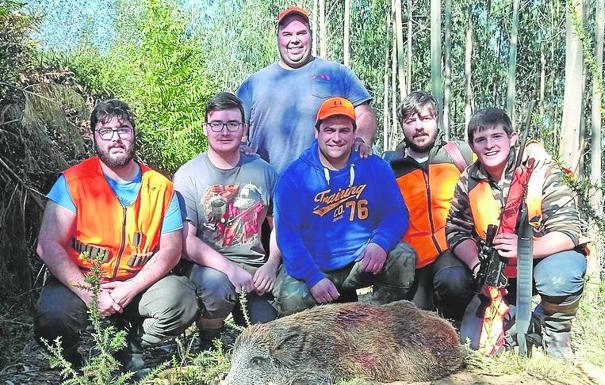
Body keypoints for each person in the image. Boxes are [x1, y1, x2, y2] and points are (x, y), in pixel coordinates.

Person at [34, 100, 198, 374]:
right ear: (94, 137)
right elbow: (48, 245)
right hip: (83, 279)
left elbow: (171, 250)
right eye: (106, 131)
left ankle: (127, 343)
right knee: (52, 317)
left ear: (134, 133)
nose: (116, 138)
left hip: (136, 283)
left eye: (123, 129)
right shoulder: (73, 182)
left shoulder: (160, 187)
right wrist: (90, 293)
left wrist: (130, 288)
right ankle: (73, 364)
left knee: (182, 300)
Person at [445, 107, 587, 359]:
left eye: (496, 137)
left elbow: (569, 231)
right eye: (481, 139)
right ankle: (526, 323)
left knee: (561, 275)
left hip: (542, 261)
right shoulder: (468, 179)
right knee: (473, 344)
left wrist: (525, 248)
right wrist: (477, 264)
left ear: (512, 138)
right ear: (472, 146)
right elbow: (456, 229)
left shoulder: (542, 170)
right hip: (499, 274)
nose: (489, 145)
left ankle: (555, 333)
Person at [272, 97, 415, 316]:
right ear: (317, 132)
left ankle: (374, 322)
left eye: (344, 130)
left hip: (360, 262)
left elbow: (396, 213)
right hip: (317, 266)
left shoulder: (375, 166)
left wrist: (380, 243)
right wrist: (312, 277)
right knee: (291, 298)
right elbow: (288, 236)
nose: (336, 138)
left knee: (403, 256)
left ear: (354, 133)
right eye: (329, 130)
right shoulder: (294, 176)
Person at [174, 92, 280, 349]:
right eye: (217, 124)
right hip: (210, 267)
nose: (225, 131)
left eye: (233, 124)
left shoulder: (264, 171)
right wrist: (230, 270)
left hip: (255, 266)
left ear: (244, 129)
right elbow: (186, 242)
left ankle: (251, 324)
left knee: (266, 337)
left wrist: (271, 264)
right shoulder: (189, 175)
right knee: (216, 287)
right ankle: (210, 340)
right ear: (205, 128)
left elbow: (278, 226)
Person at [236, 5, 376, 174]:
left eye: (301, 33)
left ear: (310, 36)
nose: (294, 40)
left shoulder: (337, 73)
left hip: (329, 189)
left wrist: (361, 140)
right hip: (268, 188)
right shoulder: (254, 83)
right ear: (278, 38)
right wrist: (240, 146)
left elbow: (364, 113)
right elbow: (235, 126)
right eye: (287, 34)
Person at [383, 91, 475, 324]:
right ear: (402, 126)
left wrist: (532, 147)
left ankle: (457, 326)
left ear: (437, 120)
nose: (419, 127)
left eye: (425, 118)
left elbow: (499, 156)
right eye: (411, 121)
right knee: (414, 323)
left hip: (452, 250)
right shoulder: (390, 166)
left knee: (454, 282)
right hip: (412, 260)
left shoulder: (459, 154)